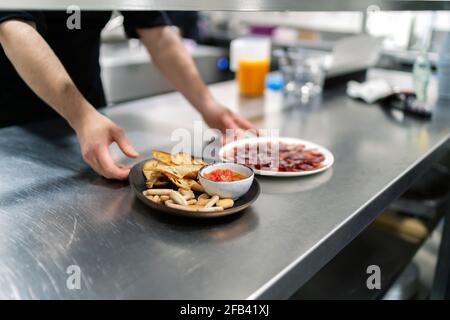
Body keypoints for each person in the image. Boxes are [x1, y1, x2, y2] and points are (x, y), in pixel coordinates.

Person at [0, 10, 254, 180]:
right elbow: (12, 27)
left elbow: (158, 34)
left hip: (90, 110)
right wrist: (80, 115)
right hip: (12, 124)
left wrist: (208, 105)